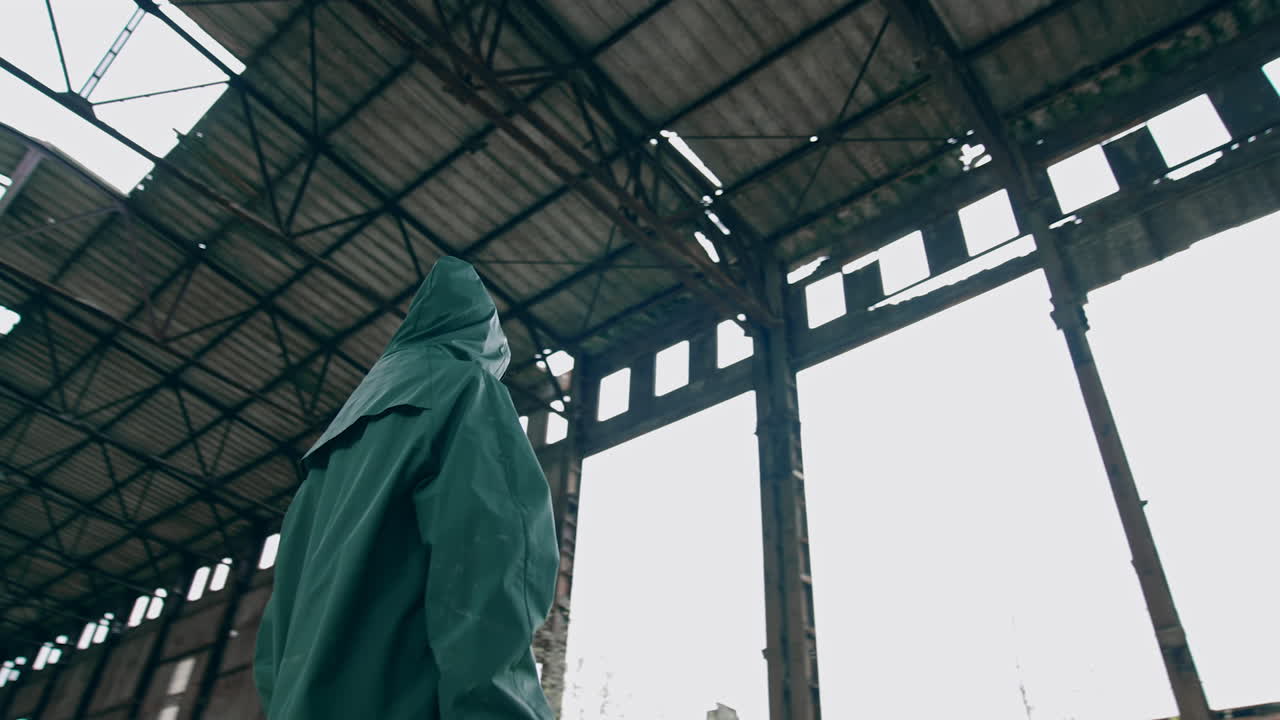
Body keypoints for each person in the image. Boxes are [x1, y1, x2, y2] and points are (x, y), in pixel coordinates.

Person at [254, 257, 558, 719]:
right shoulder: (466, 392)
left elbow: (276, 639)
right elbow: (491, 579)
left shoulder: (326, 458)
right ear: (485, 345)